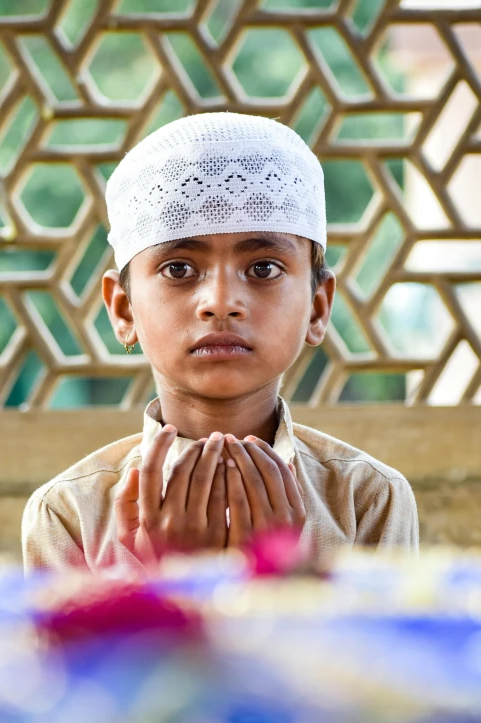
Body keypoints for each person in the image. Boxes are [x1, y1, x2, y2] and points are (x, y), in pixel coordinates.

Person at [22, 112, 418, 573]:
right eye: (179, 269)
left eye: (263, 268)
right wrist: (176, 576)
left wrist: (280, 579)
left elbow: (387, 646)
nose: (222, 302)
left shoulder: (368, 499)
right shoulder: (70, 514)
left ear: (317, 306)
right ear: (124, 309)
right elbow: (75, 648)